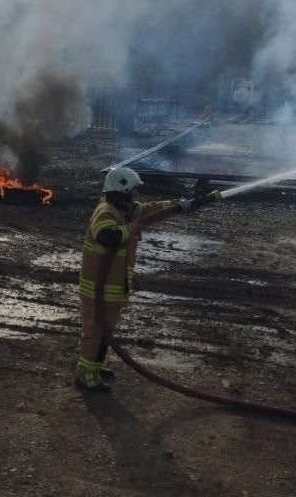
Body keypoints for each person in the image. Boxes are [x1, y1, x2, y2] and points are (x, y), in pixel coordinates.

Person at [74, 166, 220, 391]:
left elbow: (153, 209)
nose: (137, 194)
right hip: (98, 289)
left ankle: (94, 367)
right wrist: (131, 229)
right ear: (122, 190)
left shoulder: (126, 210)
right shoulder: (105, 212)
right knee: (95, 334)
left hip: (113, 288)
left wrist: (185, 204)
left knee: (104, 334)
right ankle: (85, 376)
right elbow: (107, 237)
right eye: (134, 190)